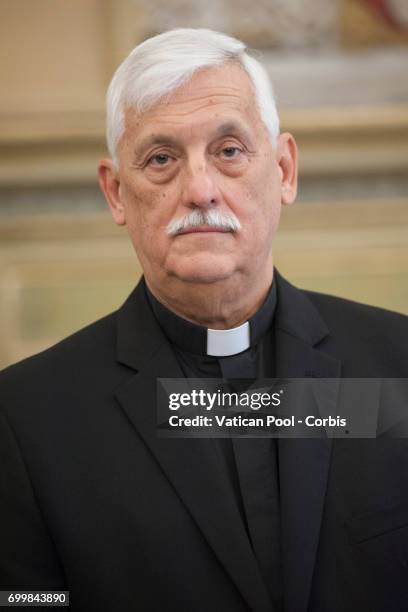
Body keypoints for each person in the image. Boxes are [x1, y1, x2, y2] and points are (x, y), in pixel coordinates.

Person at [1, 28, 407, 612]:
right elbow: (26, 602)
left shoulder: (399, 366)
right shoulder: (26, 420)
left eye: (230, 150)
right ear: (116, 193)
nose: (200, 190)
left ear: (285, 170)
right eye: (161, 159)